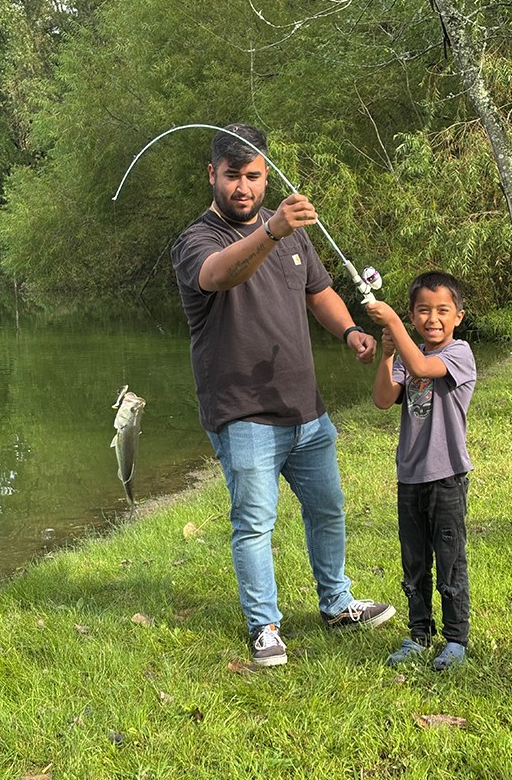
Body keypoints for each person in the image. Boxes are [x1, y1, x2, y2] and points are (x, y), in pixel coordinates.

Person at [170, 123, 395, 667]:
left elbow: (320, 294)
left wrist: (350, 333)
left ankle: (337, 604)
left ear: (266, 174)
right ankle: (265, 626)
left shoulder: (293, 236)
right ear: (212, 175)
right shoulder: (198, 240)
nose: (242, 187)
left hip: (306, 410)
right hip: (243, 414)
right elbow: (220, 275)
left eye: (253, 176)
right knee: (253, 523)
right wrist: (271, 230)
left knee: (328, 509)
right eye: (232, 177)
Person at [365, 271, 475, 670]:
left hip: (446, 478)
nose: (433, 318)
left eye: (443, 310)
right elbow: (382, 399)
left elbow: (425, 369)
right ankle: (418, 635)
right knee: (414, 562)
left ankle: (456, 639)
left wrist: (393, 322)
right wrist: (388, 352)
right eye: (423, 311)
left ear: (458, 316)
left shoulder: (457, 353)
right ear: (414, 316)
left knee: (449, 559)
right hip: (409, 477)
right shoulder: (408, 355)